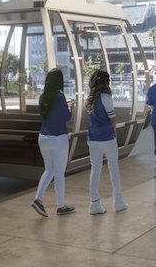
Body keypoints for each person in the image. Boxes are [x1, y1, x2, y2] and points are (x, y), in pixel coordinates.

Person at [30, 68, 75, 217]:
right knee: (59, 173)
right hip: (58, 138)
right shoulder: (60, 97)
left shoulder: (43, 97)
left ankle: (38, 199)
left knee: (49, 170)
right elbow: (66, 117)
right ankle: (61, 206)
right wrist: (70, 108)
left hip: (43, 137)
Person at [85, 70, 128, 215]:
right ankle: (118, 201)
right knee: (113, 167)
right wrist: (114, 131)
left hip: (92, 138)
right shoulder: (106, 97)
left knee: (95, 169)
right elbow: (112, 118)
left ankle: (94, 203)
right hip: (107, 137)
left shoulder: (90, 98)